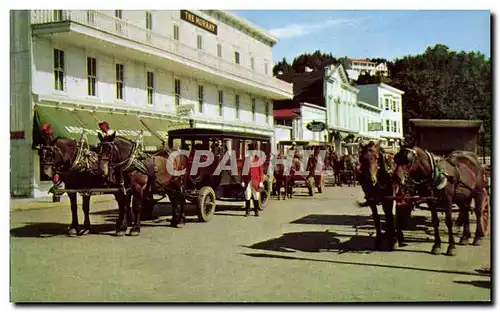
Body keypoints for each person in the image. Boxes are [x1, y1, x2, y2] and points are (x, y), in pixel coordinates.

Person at [241, 142, 265, 217]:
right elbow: (243, 170)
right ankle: (247, 211)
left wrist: (261, 181)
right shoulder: (246, 159)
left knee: (256, 195)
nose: (252, 152)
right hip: (248, 180)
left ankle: (256, 211)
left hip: (256, 180)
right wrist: (242, 180)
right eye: (251, 151)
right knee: (247, 195)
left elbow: (261, 171)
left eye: (254, 151)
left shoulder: (258, 159)